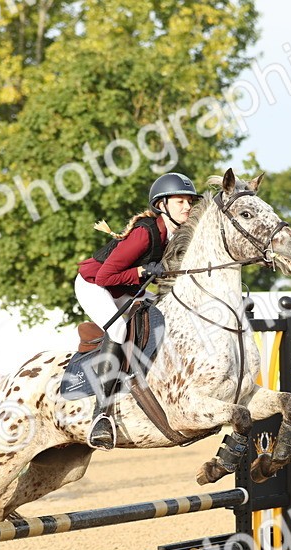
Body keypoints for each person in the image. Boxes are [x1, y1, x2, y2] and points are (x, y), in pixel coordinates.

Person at [74, 172, 201, 450]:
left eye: (190, 201)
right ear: (162, 205)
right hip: (94, 284)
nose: (187, 206)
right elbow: (106, 277)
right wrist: (143, 270)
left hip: (126, 287)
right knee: (119, 328)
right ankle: (101, 415)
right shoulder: (145, 233)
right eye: (180, 201)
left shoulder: (177, 234)